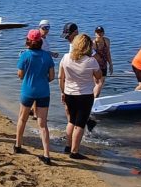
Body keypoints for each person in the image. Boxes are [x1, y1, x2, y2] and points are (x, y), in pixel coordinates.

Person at [59, 33, 103, 160]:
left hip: (69, 93)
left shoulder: (66, 57)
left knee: (71, 120)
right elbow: (99, 76)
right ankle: (74, 151)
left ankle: (68, 146)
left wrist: (62, 91)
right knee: (80, 123)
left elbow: (61, 77)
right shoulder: (91, 61)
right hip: (85, 95)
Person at [15, 29, 55, 165]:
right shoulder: (47, 56)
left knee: (22, 118)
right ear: (40, 41)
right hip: (43, 91)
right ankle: (46, 154)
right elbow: (52, 77)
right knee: (43, 124)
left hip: (28, 90)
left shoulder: (25, 56)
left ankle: (18, 145)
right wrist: (42, 80)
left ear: (28, 41)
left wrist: (27, 77)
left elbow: (20, 75)